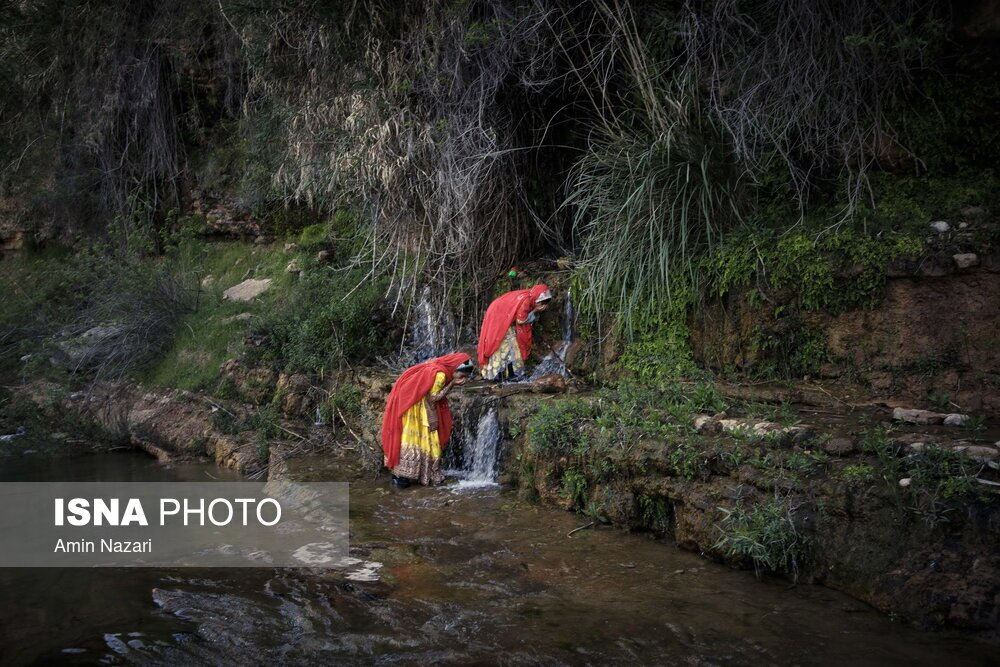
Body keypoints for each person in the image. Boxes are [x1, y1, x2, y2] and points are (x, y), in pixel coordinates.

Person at [380, 353, 473, 487]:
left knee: (410, 438)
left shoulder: (437, 366)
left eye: (466, 377)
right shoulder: (440, 375)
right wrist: (452, 384)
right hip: (417, 409)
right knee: (421, 439)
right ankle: (407, 475)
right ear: (454, 369)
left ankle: (401, 475)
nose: (463, 379)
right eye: (462, 375)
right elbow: (434, 397)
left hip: (411, 402)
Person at [478, 284, 552, 381]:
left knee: (511, 346)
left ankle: (510, 374)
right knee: (505, 345)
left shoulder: (530, 297)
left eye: (545, 303)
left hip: (505, 317)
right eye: (541, 302)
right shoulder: (526, 301)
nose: (542, 305)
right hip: (499, 317)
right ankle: (500, 375)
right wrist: (535, 311)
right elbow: (521, 320)